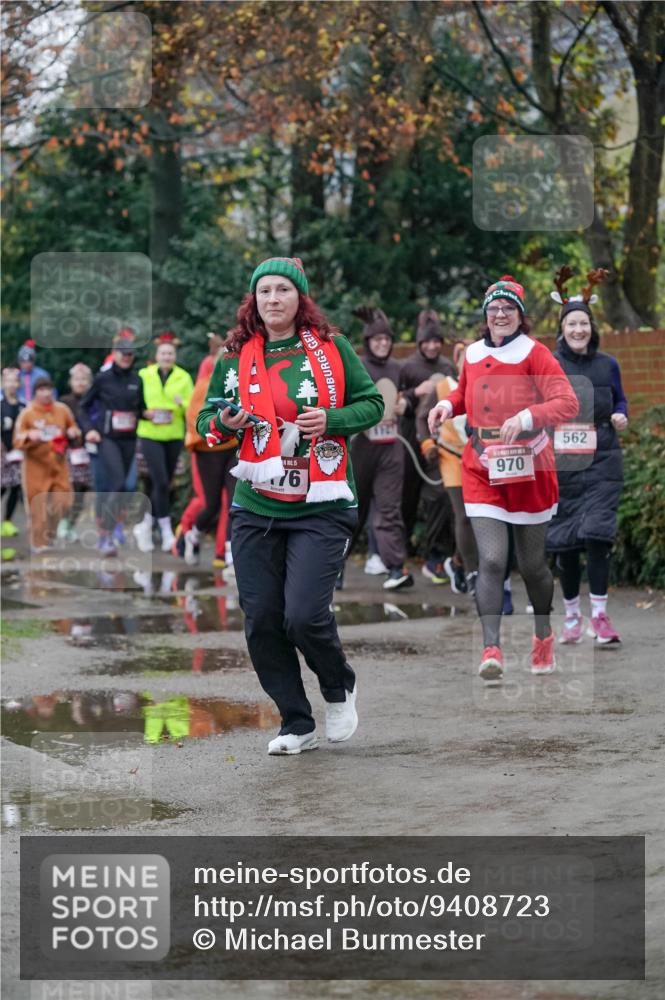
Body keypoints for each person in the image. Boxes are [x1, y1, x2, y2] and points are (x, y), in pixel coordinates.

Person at [196, 256, 383, 755]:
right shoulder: (234, 356)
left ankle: (338, 686)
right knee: (261, 618)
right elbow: (206, 421)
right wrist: (225, 424)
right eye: (265, 291)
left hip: (321, 501)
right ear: (253, 300)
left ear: (300, 298)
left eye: (283, 290)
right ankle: (296, 722)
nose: (273, 299)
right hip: (256, 502)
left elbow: (372, 403)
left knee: (302, 616)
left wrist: (333, 420)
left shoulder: (332, 347)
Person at [428, 276, 578, 679]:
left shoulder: (535, 353)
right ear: (485, 314)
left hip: (530, 469)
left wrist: (527, 417)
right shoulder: (474, 353)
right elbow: (465, 393)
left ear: (519, 315)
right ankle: (491, 649)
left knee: (532, 566)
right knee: (492, 561)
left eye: (508, 308)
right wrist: (447, 406)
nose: (500, 314)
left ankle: (543, 635)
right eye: (493, 308)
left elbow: (567, 402)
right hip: (483, 467)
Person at [546, 269, 628, 645]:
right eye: (572, 324)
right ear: (562, 329)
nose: (578, 329)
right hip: (562, 463)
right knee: (565, 543)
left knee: (597, 536)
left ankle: (599, 616)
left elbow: (620, 398)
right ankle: (572, 617)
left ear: (591, 328)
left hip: (602, 459)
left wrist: (620, 414)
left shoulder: (608, 364)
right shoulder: (550, 364)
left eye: (584, 323)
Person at [348, 306, 412, 590]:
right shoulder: (357, 366)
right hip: (361, 447)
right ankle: (334, 569)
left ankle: (396, 568)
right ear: (368, 342)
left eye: (387, 339)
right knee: (352, 510)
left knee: (389, 509)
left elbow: (410, 393)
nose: (383, 343)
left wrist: (406, 402)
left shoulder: (398, 368)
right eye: (377, 339)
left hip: (391, 448)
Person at [399, 310, 457, 580]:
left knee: (439, 496)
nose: (432, 346)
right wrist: (415, 392)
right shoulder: (407, 367)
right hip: (411, 437)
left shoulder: (447, 367)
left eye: (437, 341)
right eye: (427, 341)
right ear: (420, 342)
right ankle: (400, 554)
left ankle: (436, 555)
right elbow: (395, 399)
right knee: (406, 496)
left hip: (439, 440)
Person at [418, 341, 479, 595]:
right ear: (457, 360)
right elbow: (423, 417)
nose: (468, 361)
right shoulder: (443, 386)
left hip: (480, 456)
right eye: (464, 357)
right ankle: (474, 575)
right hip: (451, 457)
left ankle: (457, 562)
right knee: (463, 515)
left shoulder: (486, 383)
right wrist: (427, 445)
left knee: (481, 516)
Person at [79, 331, 146, 556]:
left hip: (129, 440)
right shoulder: (102, 379)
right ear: (114, 354)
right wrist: (89, 430)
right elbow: (83, 407)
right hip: (107, 439)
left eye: (130, 354)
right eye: (123, 353)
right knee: (117, 484)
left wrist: (148, 414)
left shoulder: (137, 380)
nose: (126, 357)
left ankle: (111, 529)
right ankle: (105, 535)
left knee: (125, 488)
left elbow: (141, 409)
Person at [134, 333, 193, 553]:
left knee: (164, 483)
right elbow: (134, 401)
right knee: (159, 481)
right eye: (163, 353)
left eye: (170, 353)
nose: (167, 356)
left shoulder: (184, 377)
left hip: (173, 435)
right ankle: (167, 531)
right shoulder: (144, 374)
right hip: (150, 434)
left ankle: (145, 524)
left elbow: (192, 406)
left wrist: (181, 402)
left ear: (174, 356)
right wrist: (144, 412)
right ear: (157, 355)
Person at [180, 344, 238, 567]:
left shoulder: (240, 383)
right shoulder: (205, 385)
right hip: (208, 450)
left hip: (233, 449)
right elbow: (194, 418)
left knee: (234, 502)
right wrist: (219, 427)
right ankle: (193, 534)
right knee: (211, 505)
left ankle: (231, 556)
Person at [12, 377, 79, 552]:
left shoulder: (62, 410)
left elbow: (74, 428)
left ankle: (50, 534)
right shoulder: (27, 413)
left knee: (63, 502)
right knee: (38, 506)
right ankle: (38, 543)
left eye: (48, 389)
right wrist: (29, 435)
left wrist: (73, 432)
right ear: (36, 392)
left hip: (58, 465)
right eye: (41, 390)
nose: (46, 393)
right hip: (36, 467)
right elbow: (17, 439)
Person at [58, 363, 94, 541]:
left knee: (82, 491)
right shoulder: (64, 402)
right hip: (68, 451)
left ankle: (71, 524)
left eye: (84, 379)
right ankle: (62, 521)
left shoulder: (95, 400)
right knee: (69, 489)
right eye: (77, 379)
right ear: (71, 382)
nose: (80, 383)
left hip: (89, 451)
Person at [1, 368, 25, 537]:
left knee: (16, 487)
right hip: (2, 454)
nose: (12, 384)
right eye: (8, 381)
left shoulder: (24, 406)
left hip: (18, 453)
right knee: (2, 487)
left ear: (19, 384)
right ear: (3, 383)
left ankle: (7, 522)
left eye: (15, 381)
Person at [16, 340, 56, 404]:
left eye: (30, 361)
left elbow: (52, 393)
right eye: (23, 361)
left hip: (39, 406)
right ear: (19, 362)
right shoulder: (16, 375)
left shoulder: (42, 374)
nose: (27, 364)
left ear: (34, 361)